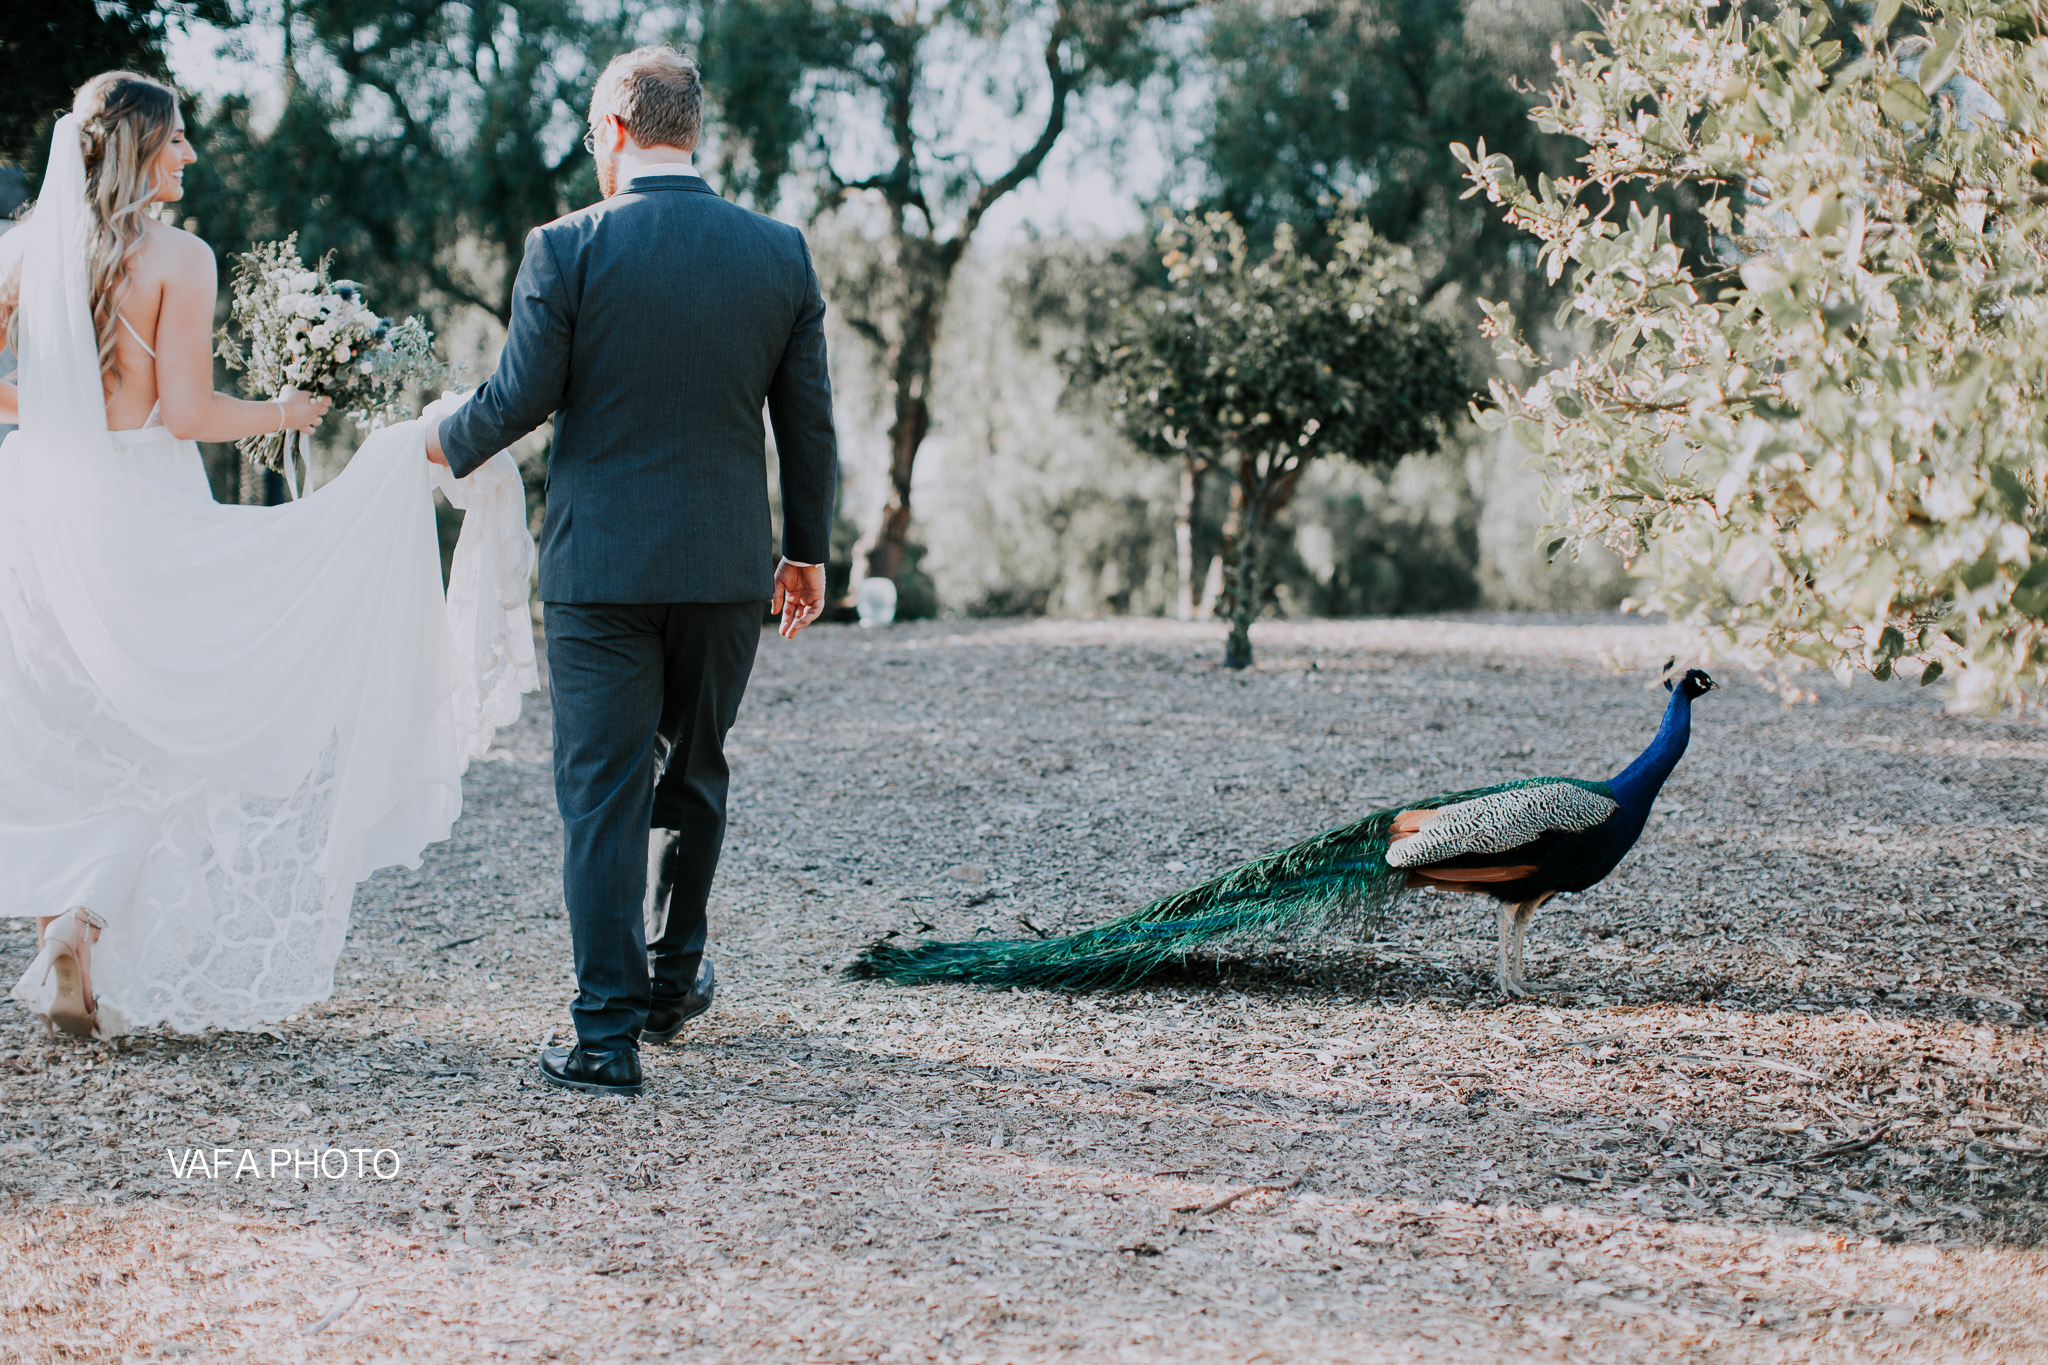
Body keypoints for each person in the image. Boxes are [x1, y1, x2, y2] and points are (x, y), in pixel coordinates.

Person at [0, 72, 535, 1037]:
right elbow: (194, 413)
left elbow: (10, 393)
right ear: (138, 146)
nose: (190, 155)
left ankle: (62, 938)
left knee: (66, 728)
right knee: (175, 734)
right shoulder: (177, 258)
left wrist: (63, 413)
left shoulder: (20, 254)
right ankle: (80, 922)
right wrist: (286, 413)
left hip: (33, 503)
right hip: (137, 504)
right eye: (176, 139)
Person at [426, 45, 837, 1097]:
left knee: (601, 796)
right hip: (728, 571)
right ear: (689, 128)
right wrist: (806, 554)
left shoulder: (565, 248)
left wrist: (433, 443)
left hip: (599, 573)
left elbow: (518, 399)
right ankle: (671, 980)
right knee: (695, 771)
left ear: (614, 128)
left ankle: (605, 1037)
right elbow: (808, 432)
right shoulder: (777, 253)